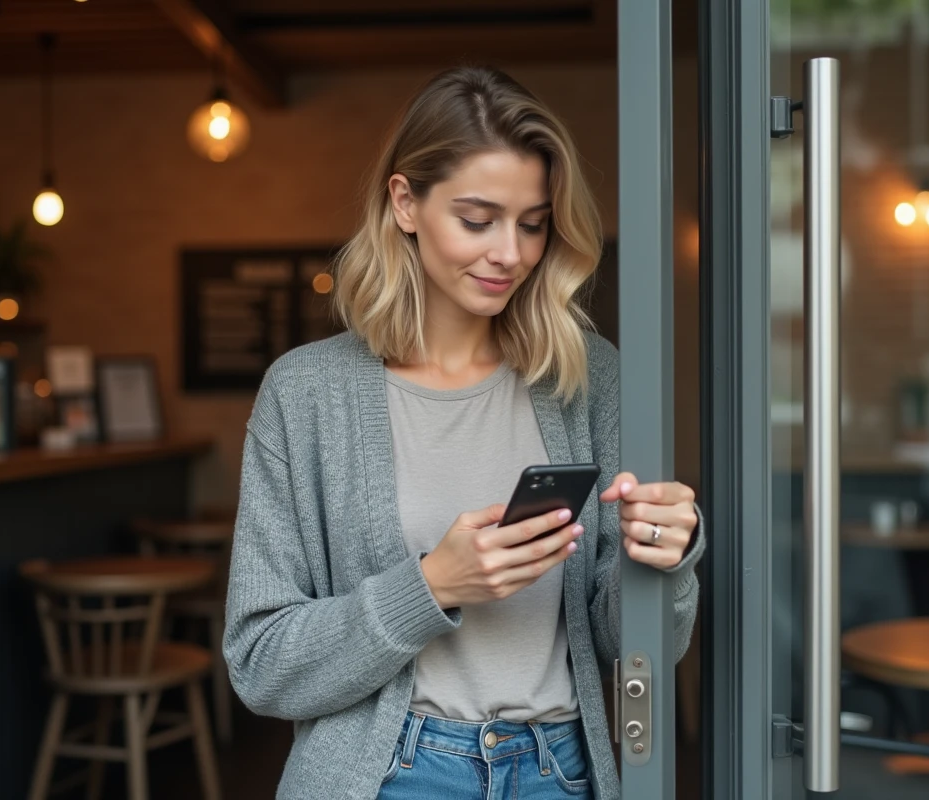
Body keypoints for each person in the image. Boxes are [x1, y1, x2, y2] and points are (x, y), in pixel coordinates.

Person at [223, 66, 704, 800]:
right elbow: (260, 663)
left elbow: (633, 645)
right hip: (389, 776)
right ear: (406, 202)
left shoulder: (587, 376)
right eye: (478, 220)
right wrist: (432, 585)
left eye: (533, 223)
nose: (509, 252)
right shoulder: (307, 392)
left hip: (559, 771)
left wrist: (666, 561)